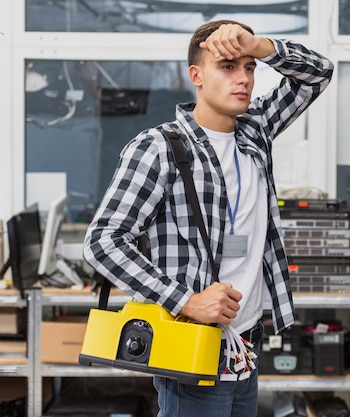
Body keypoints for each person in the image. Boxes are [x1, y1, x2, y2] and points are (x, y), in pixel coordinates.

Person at [83, 20, 334, 417]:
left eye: (249, 68)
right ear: (196, 76)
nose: (244, 79)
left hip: (244, 342)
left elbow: (318, 73)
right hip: (192, 344)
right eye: (229, 66)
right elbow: (103, 242)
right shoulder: (159, 148)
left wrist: (260, 45)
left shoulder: (256, 131)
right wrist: (187, 300)